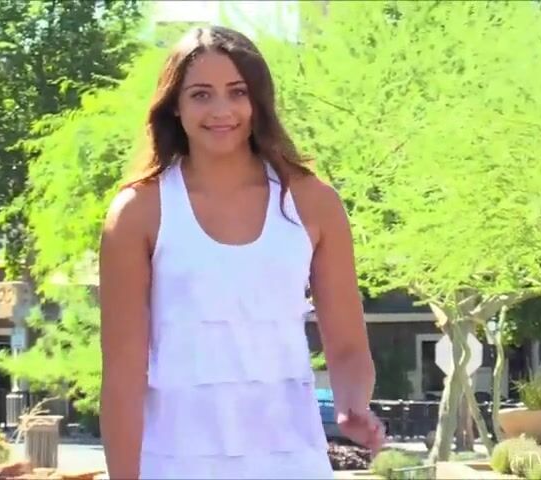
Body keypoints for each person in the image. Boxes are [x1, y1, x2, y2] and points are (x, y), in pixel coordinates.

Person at [99, 25, 384, 479]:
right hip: (175, 464)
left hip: (293, 462)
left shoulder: (313, 202)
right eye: (201, 95)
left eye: (237, 92)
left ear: (258, 100)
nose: (221, 110)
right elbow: (122, 376)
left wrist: (352, 406)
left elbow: (347, 344)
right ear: (175, 105)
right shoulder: (138, 211)